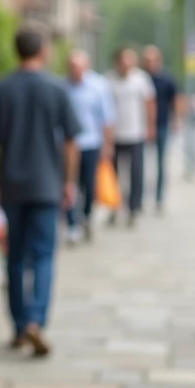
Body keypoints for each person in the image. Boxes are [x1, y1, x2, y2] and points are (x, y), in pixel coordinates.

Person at [0, 26, 80, 357]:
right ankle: (36, 319)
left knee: (15, 257)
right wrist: (68, 181)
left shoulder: (0, 89)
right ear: (43, 51)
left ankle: (20, 326)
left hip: (11, 185)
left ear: (17, 50)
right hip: (47, 185)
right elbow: (71, 141)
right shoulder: (57, 88)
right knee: (44, 256)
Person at [64, 50, 116, 244]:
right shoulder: (63, 87)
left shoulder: (98, 86)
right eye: (72, 67)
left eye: (78, 67)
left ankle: (86, 216)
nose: (75, 71)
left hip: (91, 143)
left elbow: (107, 118)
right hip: (68, 145)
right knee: (69, 184)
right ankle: (72, 224)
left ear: (86, 67)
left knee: (88, 184)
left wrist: (107, 145)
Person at [106, 46, 155, 227]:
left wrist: (150, 127)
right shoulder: (109, 80)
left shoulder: (141, 79)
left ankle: (133, 208)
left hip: (135, 133)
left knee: (136, 173)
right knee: (114, 174)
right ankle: (114, 207)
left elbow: (149, 103)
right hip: (115, 135)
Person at [142, 45, 182, 213]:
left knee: (160, 163)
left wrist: (177, 119)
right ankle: (139, 198)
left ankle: (159, 198)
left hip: (162, 124)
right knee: (140, 164)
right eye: (147, 61)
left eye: (153, 60)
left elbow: (177, 99)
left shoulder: (166, 79)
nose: (150, 64)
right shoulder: (141, 79)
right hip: (142, 127)